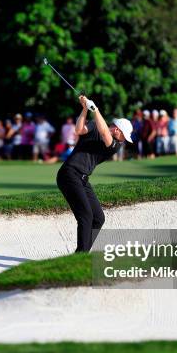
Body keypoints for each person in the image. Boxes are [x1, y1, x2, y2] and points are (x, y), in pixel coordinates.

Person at [57, 95, 133, 252]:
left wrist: (95, 109)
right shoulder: (93, 125)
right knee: (85, 216)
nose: (123, 140)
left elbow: (105, 133)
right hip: (69, 174)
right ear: (118, 130)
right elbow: (79, 129)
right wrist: (85, 109)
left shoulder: (115, 145)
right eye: (124, 136)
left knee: (98, 218)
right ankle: (81, 257)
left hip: (82, 178)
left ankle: (82, 253)